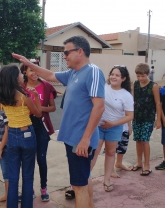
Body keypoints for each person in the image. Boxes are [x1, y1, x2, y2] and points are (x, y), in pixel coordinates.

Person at [13, 35, 105, 208]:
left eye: (66, 52)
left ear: (80, 51)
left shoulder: (92, 71)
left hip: (80, 141)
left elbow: (99, 107)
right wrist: (29, 64)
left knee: (78, 186)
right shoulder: (73, 73)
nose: (64, 56)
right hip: (74, 139)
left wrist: (85, 139)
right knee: (84, 179)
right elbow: (49, 74)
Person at [0, 64, 42, 208]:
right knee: (28, 176)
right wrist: (35, 96)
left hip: (11, 135)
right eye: (20, 74)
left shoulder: (2, 97)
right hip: (27, 135)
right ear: (14, 78)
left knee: (13, 176)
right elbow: (38, 114)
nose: (22, 76)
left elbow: (16, 114)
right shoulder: (24, 97)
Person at [90, 65, 134, 192]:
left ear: (123, 78)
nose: (113, 77)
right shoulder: (102, 88)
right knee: (94, 153)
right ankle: (85, 180)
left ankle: (107, 180)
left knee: (110, 153)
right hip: (97, 127)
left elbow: (130, 116)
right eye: (112, 74)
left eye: (117, 75)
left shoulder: (126, 95)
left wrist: (113, 124)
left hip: (114, 128)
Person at [20, 60, 57, 202]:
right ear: (25, 72)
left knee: (41, 159)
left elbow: (52, 108)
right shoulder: (21, 88)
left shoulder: (46, 86)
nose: (34, 73)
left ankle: (43, 187)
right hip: (26, 125)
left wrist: (38, 109)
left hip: (41, 126)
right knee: (27, 160)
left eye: (36, 69)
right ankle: (30, 189)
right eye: (30, 70)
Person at [131, 63, 162, 176]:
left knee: (145, 141)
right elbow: (133, 100)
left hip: (148, 117)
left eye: (143, 76)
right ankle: (139, 162)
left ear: (148, 74)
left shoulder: (153, 86)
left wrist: (158, 120)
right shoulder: (135, 84)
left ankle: (147, 164)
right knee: (138, 140)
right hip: (136, 117)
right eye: (138, 76)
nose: (140, 78)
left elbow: (158, 103)